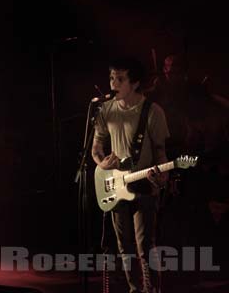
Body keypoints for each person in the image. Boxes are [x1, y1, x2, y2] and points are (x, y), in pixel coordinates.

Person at [92, 57, 169, 293]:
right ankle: (134, 289)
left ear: (135, 83)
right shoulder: (106, 110)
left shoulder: (153, 111)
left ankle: (151, 289)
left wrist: (163, 174)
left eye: (120, 78)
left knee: (145, 245)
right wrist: (101, 163)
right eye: (111, 77)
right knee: (123, 246)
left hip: (143, 185)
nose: (113, 83)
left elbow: (160, 151)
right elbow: (96, 147)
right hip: (116, 186)